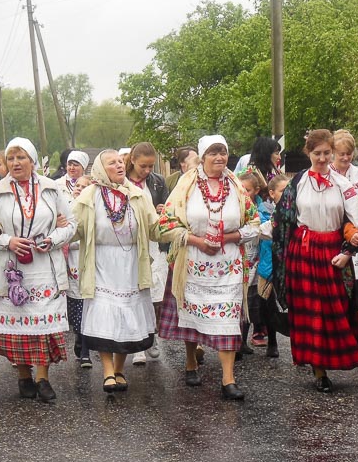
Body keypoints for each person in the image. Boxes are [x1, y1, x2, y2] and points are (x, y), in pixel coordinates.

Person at [0, 137, 76, 402]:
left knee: (44, 327)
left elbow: (71, 225)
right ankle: (23, 376)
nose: (16, 163)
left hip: (46, 266)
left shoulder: (51, 188)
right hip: (12, 269)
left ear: (32, 161)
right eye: (11, 158)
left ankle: (42, 378)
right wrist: (8, 241)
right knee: (18, 328)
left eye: (21, 158)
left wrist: (53, 239)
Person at [158, 135, 260, 400]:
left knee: (228, 319)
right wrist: (197, 241)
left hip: (228, 263)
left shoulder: (236, 187)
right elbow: (167, 224)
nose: (219, 158)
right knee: (192, 314)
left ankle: (228, 379)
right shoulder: (186, 185)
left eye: (223, 153)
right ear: (202, 157)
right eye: (213, 153)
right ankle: (191, 360)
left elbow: (255, 223)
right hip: (192, 260)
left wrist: (228, 238)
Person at [270, 129, 358, 392]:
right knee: (310, 312)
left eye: (327, 153)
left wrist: (347, 252)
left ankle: (332, 360)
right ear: (308, 154)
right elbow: (282, 221)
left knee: (333, 310)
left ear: (333, 152)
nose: (322, 158)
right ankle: (318, 370)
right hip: (303, 253)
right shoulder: (298, 182)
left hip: (332, 253)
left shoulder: (344, 185)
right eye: (317, 154)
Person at [73, 149, 160, 393]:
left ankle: (120, 370)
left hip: (131, 262)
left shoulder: (138, 194)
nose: (120, 165)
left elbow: (154, 228)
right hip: (101, 262)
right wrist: (52, 235)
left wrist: (174, 227)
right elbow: (73, 227)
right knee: (104, 315)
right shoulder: (89, 196)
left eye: (121, 161)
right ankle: (108, 372)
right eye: (112, 163)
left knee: (126, 317)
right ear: (101, 169)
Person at [331, 129, 358, 363]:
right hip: (333, 233)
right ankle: (340, 342)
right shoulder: (327, 174)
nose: (346, 158)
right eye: (341, 154)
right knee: (338, 292)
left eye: (349, 154)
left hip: (357, 233)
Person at [125, 142, 169, 365]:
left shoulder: (158, 182)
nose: (147, 171)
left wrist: (162, 209)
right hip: (130, 243)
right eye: (143, 166)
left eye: (151, 166)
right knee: (133, 292)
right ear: (133, 160)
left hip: (153, 244)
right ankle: (136, 344)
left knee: (155, 295)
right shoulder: (121, 181)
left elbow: (168, 210)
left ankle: (151, 336)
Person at [257, 173, 289, 358]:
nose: (286, 195)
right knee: (267, 305)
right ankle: (272, 341)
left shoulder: (296, 211)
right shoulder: (263, 212)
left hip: (288, 267)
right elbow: (263, 230)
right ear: (271, 193)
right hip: (268, 266)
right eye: (282, 191)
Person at [237, 168, 268, 352]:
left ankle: (244, 340)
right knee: (238, 301)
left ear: (256, 190)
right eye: (241, 190)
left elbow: (264, 226)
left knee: (251, 301)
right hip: (239, 261)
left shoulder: (261, 208)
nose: (244, 194)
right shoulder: (234, 207)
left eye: (247, 190)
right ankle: (237, 341)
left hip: (255, 261)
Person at [65, 175, 92, 367]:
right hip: (72, 264)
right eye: (78, 185)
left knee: (88, 306)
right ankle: (79, 337)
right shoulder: (68, 208)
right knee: (75, 306)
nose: (79, 189)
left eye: (85, 187)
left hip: (89, 263)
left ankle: (86, 349)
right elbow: (66, 236)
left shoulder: (94, 209)